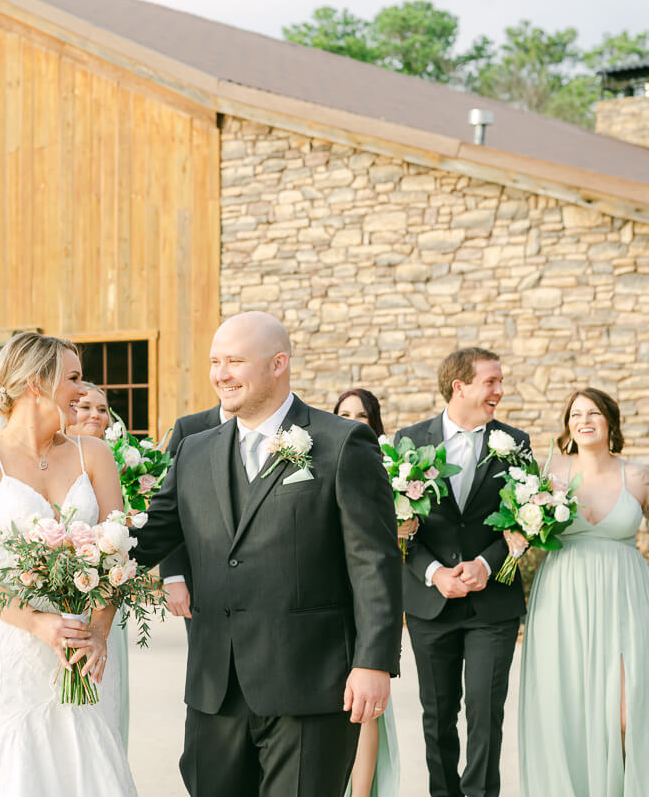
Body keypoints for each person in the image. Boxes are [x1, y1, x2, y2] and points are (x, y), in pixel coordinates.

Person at [134, 312, 403, 797]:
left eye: (235, 360)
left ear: (279, 364)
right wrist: (72, 562)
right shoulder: (193, 450)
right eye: (215, 361)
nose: (220, 374)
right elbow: (151, 537)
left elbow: (375, 563)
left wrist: (374, 662)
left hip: (310, 683)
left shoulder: (342, 443)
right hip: (216, 687)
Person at [0, 332, 135, 795]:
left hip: (81, 646)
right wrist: (38, 624)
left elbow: (115, 552)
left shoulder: (94, 455)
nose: (84, 390)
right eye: (73, 378)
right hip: (8, 646)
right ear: (36, 383)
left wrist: (99, 630)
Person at [394, 347, 528, 797]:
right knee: (437, 714)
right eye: (491, 382)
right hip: (432, 603)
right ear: (460, 386)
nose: (499, 391)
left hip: (494, 605)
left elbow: (524, 518)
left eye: (499, 382)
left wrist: (489, 563)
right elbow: (396, 530)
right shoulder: (408, 442)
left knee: (486, 713)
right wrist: (434, 572)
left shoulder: (516, 443)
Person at [518, 388, 649, 795]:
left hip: (625, 595)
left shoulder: (640, 476)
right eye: (576, 414)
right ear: (568, 425)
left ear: (610, 421)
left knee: (629, 712)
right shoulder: (549, 470)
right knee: (568, 708)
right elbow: (525, 533)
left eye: (593, 412)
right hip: (562, 597)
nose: (584, 420)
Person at [332, 388, 400, 797]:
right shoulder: (322, 454)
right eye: (345, 412)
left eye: (363, 414)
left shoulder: (392, 461)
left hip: (370, 588)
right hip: (332, 585)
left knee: (364, 707)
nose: (355, 420)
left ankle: (361, 793)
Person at [64, 381, 130, 747]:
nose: (95, 415)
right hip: (61, 591)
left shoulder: (116, 456)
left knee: (104, 702)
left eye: (102, 409)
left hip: (106, 591)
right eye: (86, 406)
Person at [160, 403, 223, 629]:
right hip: (201, 577)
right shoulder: (189, 428)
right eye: (216, 364)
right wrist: (173, 575)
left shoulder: (285, 430)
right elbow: (170, 504)